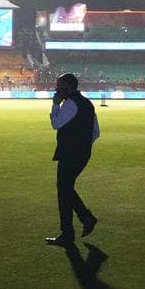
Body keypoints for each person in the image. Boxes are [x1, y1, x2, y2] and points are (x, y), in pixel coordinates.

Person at [46, 73, 101, 246]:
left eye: (59, 85)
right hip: (81, 153)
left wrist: (55, 105)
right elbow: (96, 132)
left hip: (70, 153)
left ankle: (71, 230)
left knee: (64, 190)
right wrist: (84, 146)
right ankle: (84, 219)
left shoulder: (70, 103)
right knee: (66, 188)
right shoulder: (86, 103)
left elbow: (56, 124)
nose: (56, 88)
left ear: (67, 87)